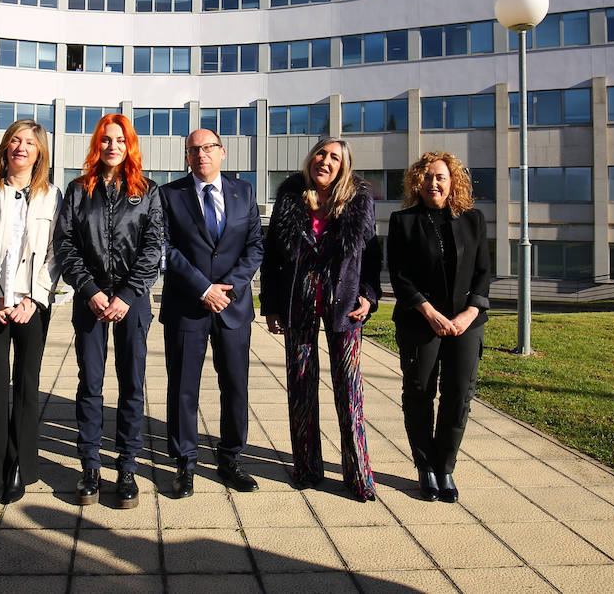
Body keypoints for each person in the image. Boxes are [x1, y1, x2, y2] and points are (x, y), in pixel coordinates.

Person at [260, 137, 381, 501]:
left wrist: (369, 296)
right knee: (300, 385)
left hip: (343, 302)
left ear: (344, 166)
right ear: (310, 158)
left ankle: (357, 474)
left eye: (333, 157)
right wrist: (271, 305)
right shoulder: (290, 196)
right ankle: (307, 468)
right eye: (320, 154)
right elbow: (272, 257)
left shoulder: (359, 198)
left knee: (349, 390)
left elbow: (372, 254)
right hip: (299, 301)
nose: (324, 161)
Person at [54, 113, 163, 508]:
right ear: (96, 145)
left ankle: (128, 466)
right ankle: (90, 465)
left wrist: (128, 294)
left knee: (132, 383)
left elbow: (153, 248)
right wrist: (90, 290)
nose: (112, 146)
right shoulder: (79, 189)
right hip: (91, 302)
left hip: (131, 303)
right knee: (91, 383)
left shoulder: (148, 191)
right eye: (105, 140)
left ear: (129, 144)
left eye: (119, 139)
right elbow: (65, 245)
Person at [160, 129, 264, 498]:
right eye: (193, 150)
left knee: (235, 386)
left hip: (233, 307)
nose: (201, 154)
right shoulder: (169, 195)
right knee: (183, 388)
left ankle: (231, 458)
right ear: (186, 157)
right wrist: (203, 288)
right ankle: (185, 462)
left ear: (223, 152)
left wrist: (228, 287)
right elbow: (166, 248)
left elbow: (255, 247)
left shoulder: (244, 192)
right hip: (186, 306)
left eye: (208, 148)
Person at [0, 119, 62, 504]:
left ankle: (21, 466)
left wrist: (35, 298)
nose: (21, 147)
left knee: (26, 384)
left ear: (40, 152)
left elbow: (57, 252)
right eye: (15, 141)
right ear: (5, 147)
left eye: (30, 143)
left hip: (31, 304)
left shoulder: (52, 196)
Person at [387, 151, 491, 504]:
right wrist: (428, 311)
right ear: (418, 181)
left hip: (466, 323)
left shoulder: (473, 220)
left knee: (459, 395)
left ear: (452, 182)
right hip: (421, 322)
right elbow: (399, 276)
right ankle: (425, 467)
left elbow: (483, 275)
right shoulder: (403, 221)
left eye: (441, 177)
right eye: (428, 177)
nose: (434, 183)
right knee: (419, 393)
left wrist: (467, 316)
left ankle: (445, 467)